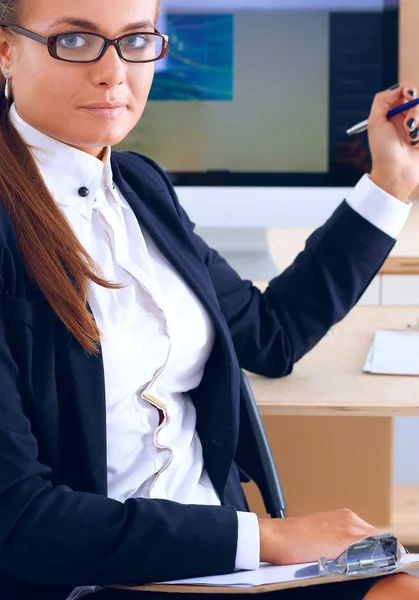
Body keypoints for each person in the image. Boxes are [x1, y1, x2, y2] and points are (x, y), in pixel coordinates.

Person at [1, 1, 419, 599]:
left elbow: (269, 335)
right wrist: (265, 538)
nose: (114, 73)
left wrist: (390, 181)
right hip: (91, 578)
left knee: (402, 590)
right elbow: (19, 519)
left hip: (221, 566)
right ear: (5, 49)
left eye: (137, 41)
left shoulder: (140, 185)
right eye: (75, 42)